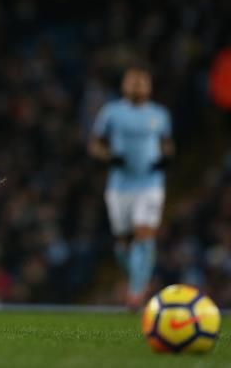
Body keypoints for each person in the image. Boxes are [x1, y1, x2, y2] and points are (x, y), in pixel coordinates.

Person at [88, 66, 174, 309]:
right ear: (124, 86)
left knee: (144, 234)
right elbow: (94, 144)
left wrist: (166, 157)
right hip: (120, 185)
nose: (137, 86)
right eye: (133, 82)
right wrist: (108, 156)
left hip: (150, 184)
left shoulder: (159, 114)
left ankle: (135, 295)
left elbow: (167, 144)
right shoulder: (112, 113)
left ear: (149, 87)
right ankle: (138, 278)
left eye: (142, 82)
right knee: (124, 242)